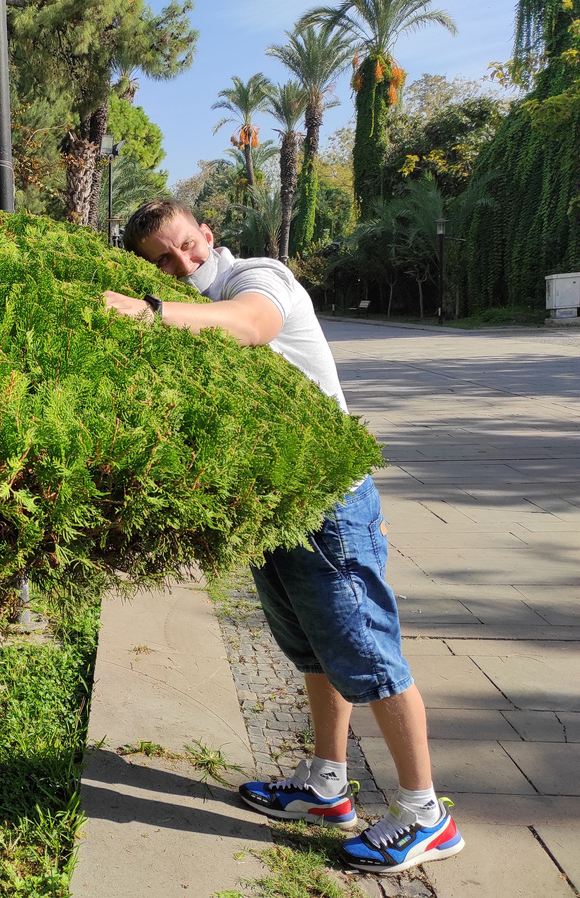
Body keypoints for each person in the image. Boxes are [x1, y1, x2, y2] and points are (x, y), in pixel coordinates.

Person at [103, 198, 465, 875]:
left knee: (370, 657)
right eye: (165, 262)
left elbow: (250, 325)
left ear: (207, 234)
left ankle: (426, 815)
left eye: (188, 245)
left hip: (327, 501)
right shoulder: (190, 307)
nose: (185, 263)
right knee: (312, 651)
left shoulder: (255, 277)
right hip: (277, 503)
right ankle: (327, 786)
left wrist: (152, 310)